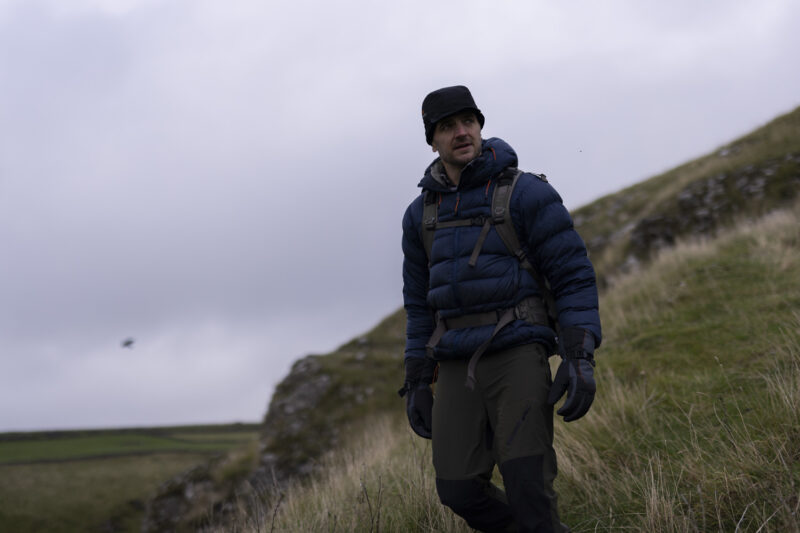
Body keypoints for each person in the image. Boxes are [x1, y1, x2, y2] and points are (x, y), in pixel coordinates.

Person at [399, 85, 602, 533]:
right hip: (454, 360)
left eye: (468, 121)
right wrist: (416, 379)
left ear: (480, 126)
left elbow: (573, 275)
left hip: (517, 349)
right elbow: (418, 305)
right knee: (458, 490)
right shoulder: (420, 216)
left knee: (527, 482)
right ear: (432, 139)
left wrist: (579, 353)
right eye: (447, 127)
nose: (460, 132)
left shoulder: (525, 192)